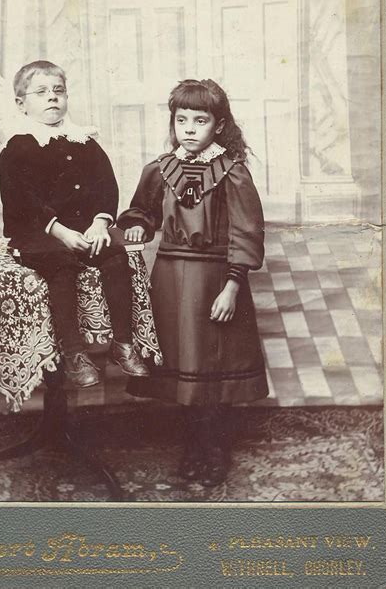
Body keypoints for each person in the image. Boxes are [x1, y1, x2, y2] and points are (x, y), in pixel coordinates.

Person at [118, 79, 268, 486]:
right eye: (181, 119)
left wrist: (233, 286)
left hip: (214, 280)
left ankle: (215, 448)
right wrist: (136, 227)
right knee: (181, 364)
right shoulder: (159, 169)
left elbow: (246, 231)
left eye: (200, 120)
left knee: (211, 365)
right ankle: (193, 445)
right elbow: (140, 212)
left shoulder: (233, 173)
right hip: (169, 278)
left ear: (218, 126)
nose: (188, 128)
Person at [0, 60, 149, 388]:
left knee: (114, 256)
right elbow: (23, 201)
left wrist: (99, 223)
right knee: (61, 262)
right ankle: (73, 353)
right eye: (41, 92)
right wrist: (60, 231)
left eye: (58, 91)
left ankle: (122, 344)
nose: (53, 98)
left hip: (85, 226)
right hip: (39, 231)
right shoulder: (18, 148)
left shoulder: (83, 141)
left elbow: (106, 185)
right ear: (21, 104)